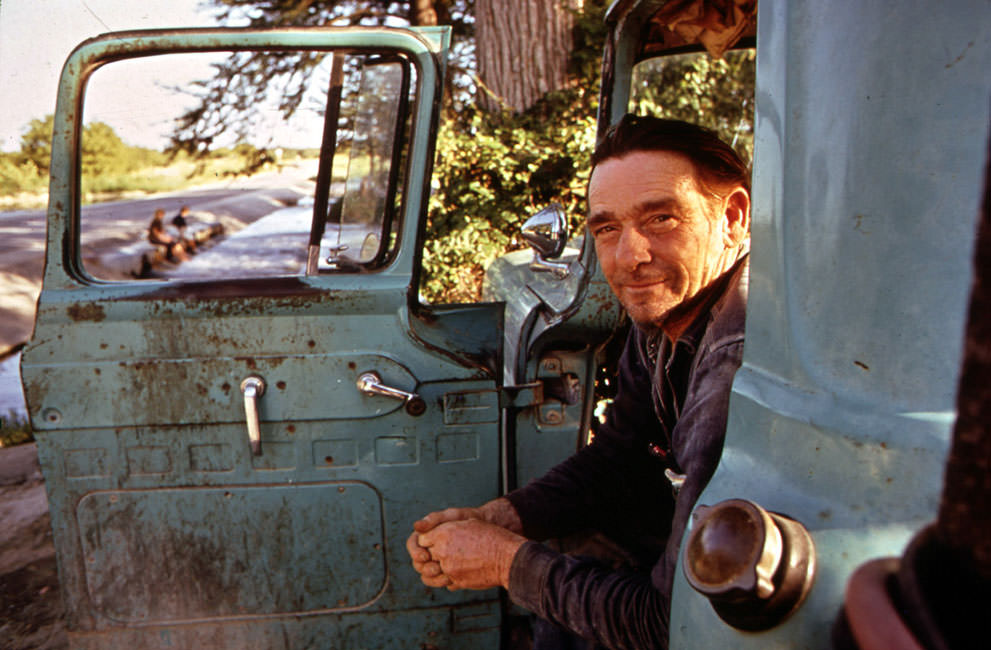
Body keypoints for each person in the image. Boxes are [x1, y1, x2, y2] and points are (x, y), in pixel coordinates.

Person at [406, 115, 751, 649]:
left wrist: (503, 560)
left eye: (661, 218)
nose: (630, 258)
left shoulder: (735, 365)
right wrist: (505, 517)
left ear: (732, 218)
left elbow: (670, 623)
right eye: (607, 228)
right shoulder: (669, 309)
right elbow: (622, 454)